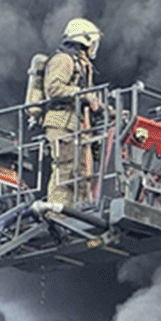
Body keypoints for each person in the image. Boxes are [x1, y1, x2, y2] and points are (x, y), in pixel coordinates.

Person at [43, 18, 103, 207]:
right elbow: (53, 88)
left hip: (77, 125)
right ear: (83, 40)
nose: (94, 47)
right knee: (66, 170)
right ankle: (56, 212)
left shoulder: (83, 66)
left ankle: (81, 212)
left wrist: (112, 111)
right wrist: (83, 95)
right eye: (92, 43)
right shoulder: (64, 60)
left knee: (83, 173)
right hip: (62, 123)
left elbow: (90, 97)